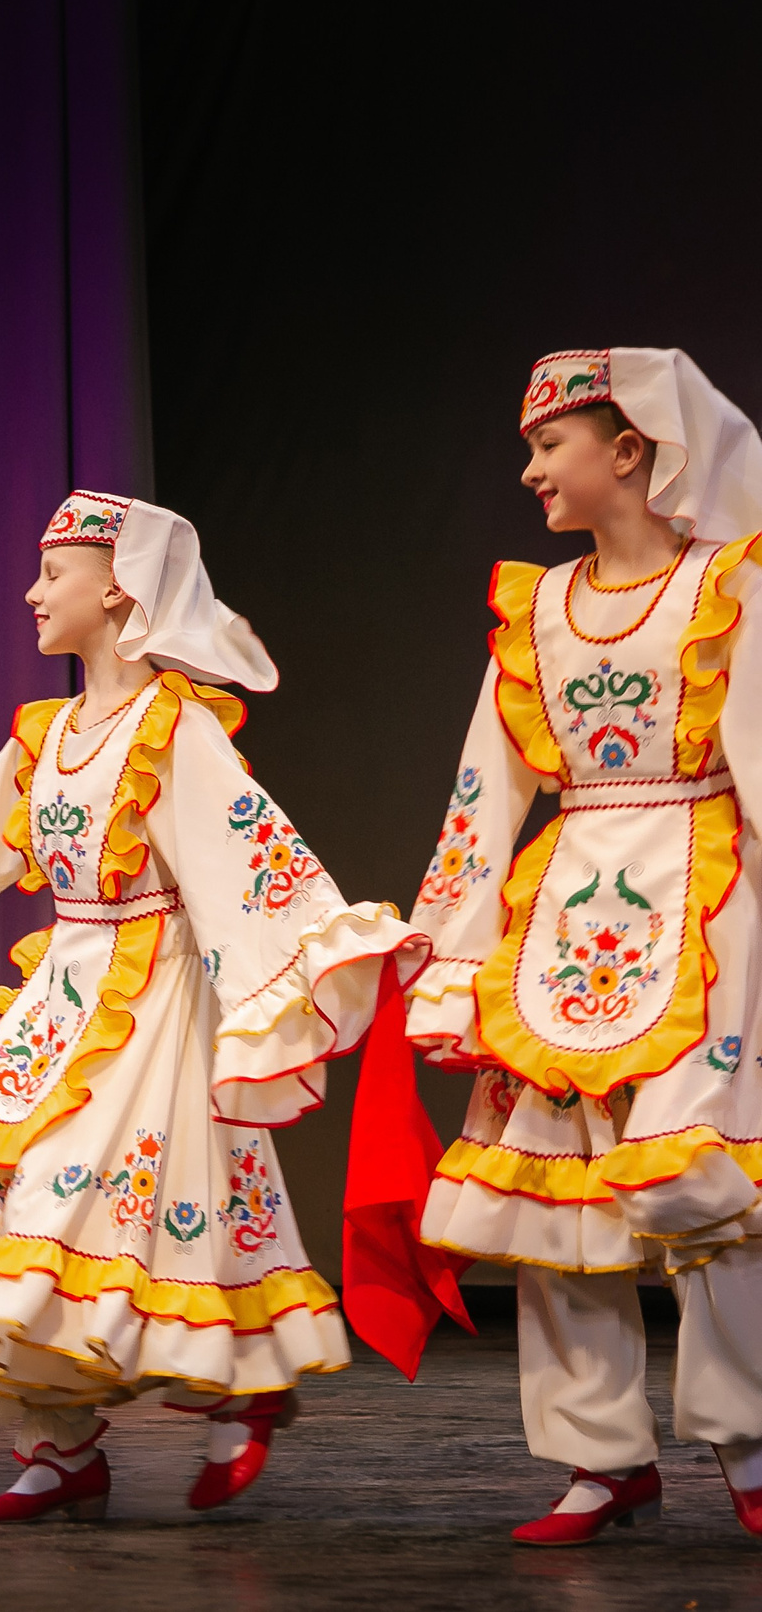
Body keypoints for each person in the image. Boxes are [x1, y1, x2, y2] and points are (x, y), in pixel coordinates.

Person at [0, 492, 425, 1521]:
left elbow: (248, 854)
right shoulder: (44, 735)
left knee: (95, 1217)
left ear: (119, 587)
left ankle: (234, 1387)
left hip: (149, 1008)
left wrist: (328, 945)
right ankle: (56, 1445)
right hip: (57, 1004)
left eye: (52, 570)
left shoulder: (173, 726)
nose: (31, 589)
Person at [409, 349, 762, 1544]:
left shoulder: (727, 587)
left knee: (702, 1182)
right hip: (565, 916)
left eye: (549, 445)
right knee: (550, 1195)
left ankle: (750, 1437)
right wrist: (453, 954)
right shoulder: (538, 611)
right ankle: (598, 1455)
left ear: (627, 451)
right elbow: (483, 787)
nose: (530, 470)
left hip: (708, 901)